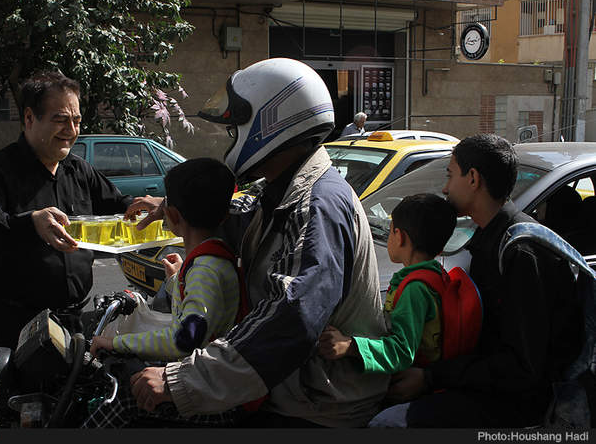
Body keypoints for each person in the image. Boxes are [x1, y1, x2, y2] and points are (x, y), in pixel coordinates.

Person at [101, 57, 390, 428]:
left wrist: (181, 380)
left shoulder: (318, 206)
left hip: (315, 408)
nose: (232, 137)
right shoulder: (283, 191)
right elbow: (235, 216)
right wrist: (174, 207)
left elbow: (290, 319)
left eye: (235, 127)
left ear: (273, 122)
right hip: (285, 390)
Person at [368, 133, 584, 428]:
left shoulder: (521, 252)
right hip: (479, 382)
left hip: (517, 405)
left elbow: (521, 367)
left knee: (386, 424)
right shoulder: (489, 238)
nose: (445, 188)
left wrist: (432, 378)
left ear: (472, 178)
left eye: (450, 175)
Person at [0, 71, 133, 366]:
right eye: (60, 120)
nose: (71, 130)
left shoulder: (78, 170)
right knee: (22, 395)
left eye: (76, 120)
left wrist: (147, 207)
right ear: (29, 118)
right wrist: (29, 223)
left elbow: (119, 205)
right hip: (14, 322)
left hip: (72, 321)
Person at [90, 157, 241, 362]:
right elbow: (200, 308)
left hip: (202, 372)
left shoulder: (204, 271)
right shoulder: (212, 260)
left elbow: (184, 339)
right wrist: (175, 281)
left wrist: (116, 343)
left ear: (171, 215)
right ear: (225, 216)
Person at [317, 193, 457, 375]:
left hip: (410, 378)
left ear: (400, 237)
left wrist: (350, 346)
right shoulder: (434, 275)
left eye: (390, 230)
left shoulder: (415, 289)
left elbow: (402, 351)